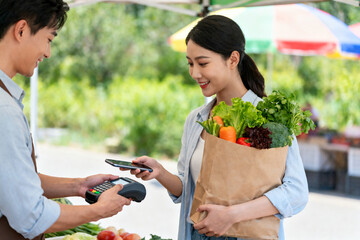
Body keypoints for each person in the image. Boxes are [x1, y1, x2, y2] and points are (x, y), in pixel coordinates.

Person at [123, 15, 308, 240]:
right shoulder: (196, 120)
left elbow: (296, 193)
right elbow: (188, 189)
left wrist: (231, 215)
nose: (194, 73)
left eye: (203, 63)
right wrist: (160, 172)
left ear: (232, 59)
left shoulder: (269, 118)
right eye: (190, 64)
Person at [0, 1, 131, 239]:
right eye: (49, 39)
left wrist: (79, 186)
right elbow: (31, 215)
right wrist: (98, 210)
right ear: (21, 30)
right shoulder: (4, 110)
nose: (48, 53)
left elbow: (11, 179)